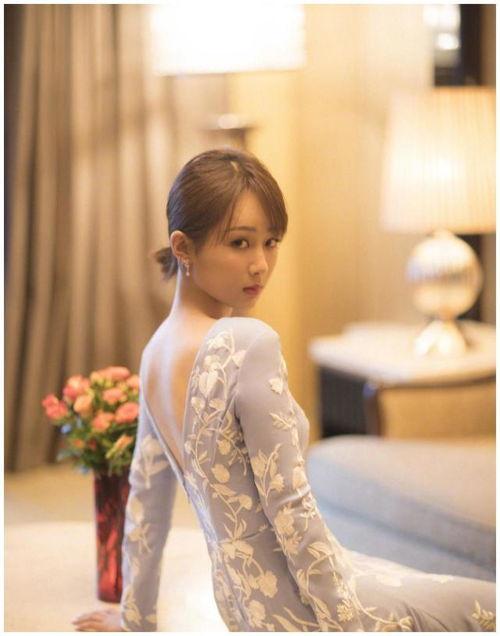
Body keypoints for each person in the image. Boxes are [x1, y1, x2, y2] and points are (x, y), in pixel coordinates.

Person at [72, 148, 495, 632]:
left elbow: (146, 501)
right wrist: (343, 623)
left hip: (244, 611)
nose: (260, 264)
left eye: (270, 242)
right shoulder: (246, 342)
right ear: (183, 248)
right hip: (312, 606)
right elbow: (289, 507)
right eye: (239, 243)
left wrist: (135, 616)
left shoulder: (154, 353)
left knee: (427, 585)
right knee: (485, 604)